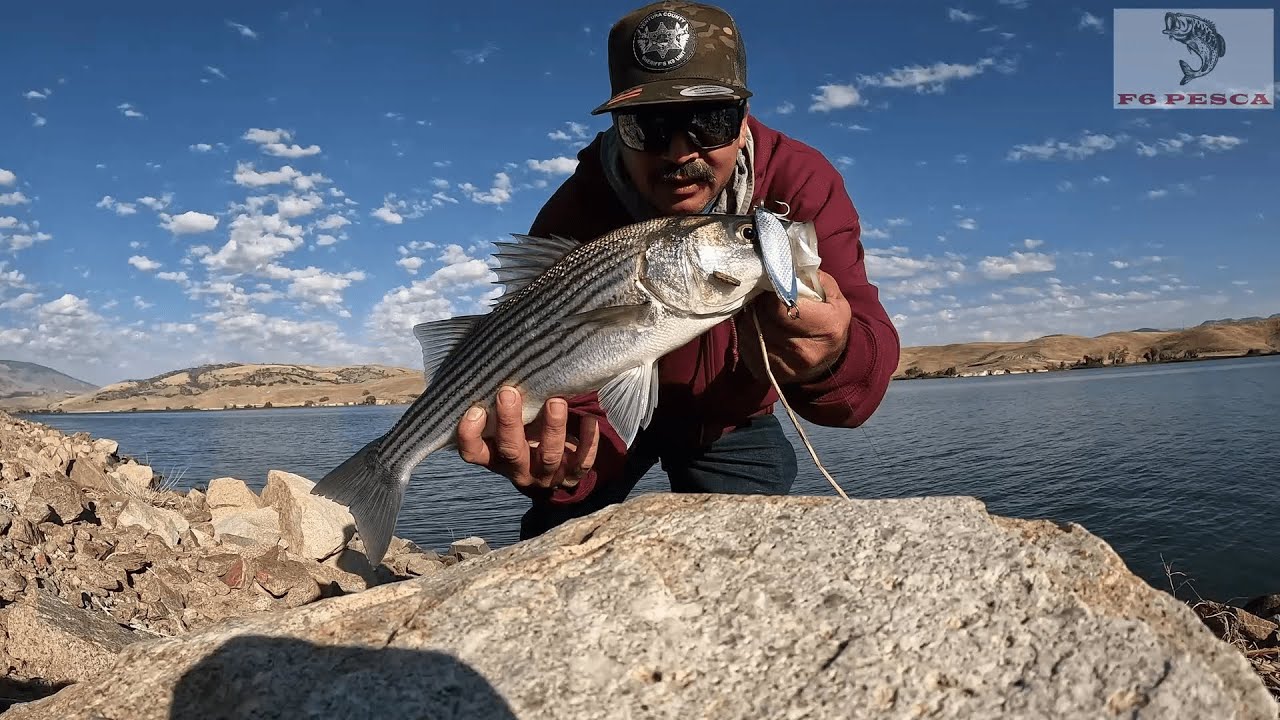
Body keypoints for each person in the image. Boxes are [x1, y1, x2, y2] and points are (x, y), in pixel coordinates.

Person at [455, 1, 900, 539]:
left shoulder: (799, 182)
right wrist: (558, 465)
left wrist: (830, 356)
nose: (680, 151)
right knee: (560, 535)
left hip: (729, 421)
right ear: (619, 126)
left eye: (710, 119)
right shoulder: (573, 213)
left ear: (741, 118)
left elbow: (857, 394)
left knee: (754, 557)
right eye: (649, 126)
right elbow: (556, 373)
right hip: (605, 424)